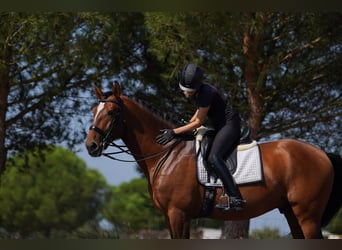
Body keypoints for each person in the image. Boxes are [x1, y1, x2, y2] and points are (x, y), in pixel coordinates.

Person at [155, 63, 245, 211]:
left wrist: (174, 132)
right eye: (184, 89)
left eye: (188, 90)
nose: (186, 93)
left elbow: (199, 122)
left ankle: (235, 197)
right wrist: (184, 128)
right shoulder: (198, 92)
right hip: (218, 126)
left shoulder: (206, 93)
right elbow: (197, 114)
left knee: (214, 157)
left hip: (229, 125)